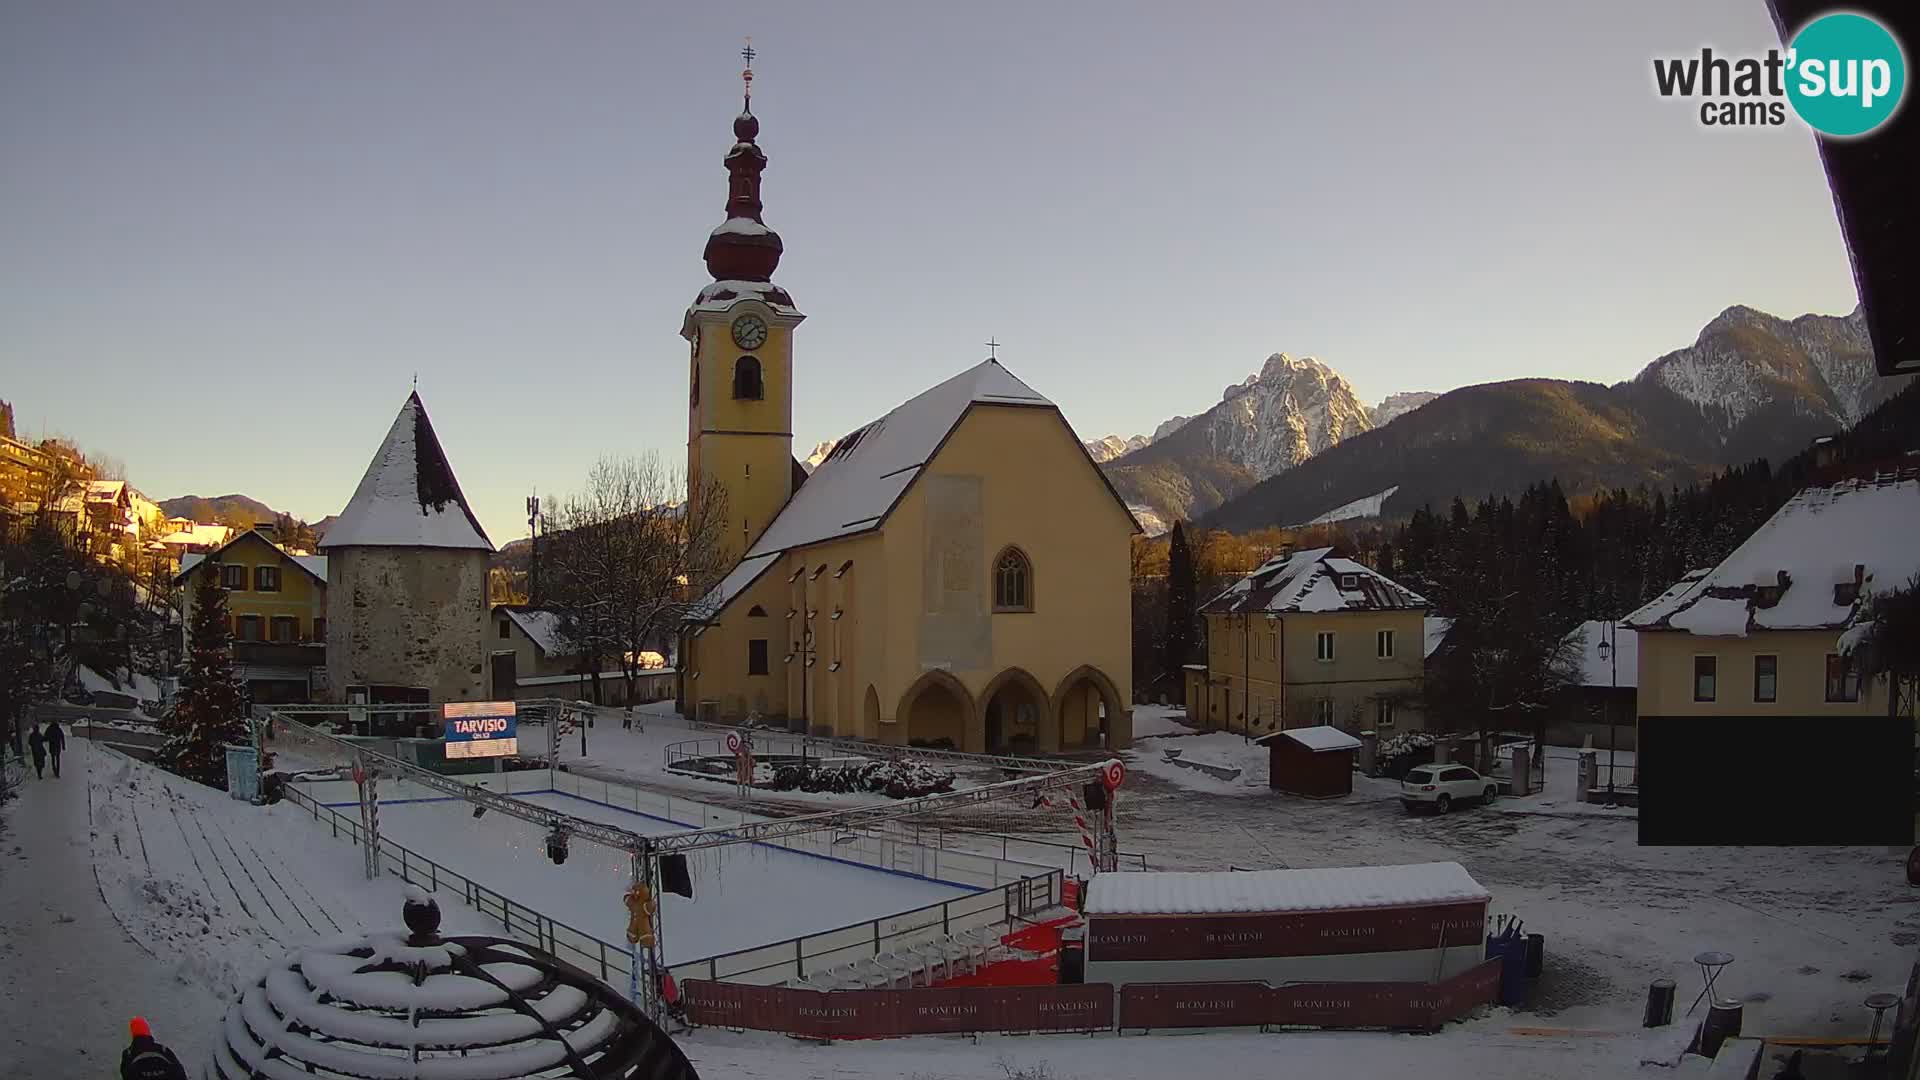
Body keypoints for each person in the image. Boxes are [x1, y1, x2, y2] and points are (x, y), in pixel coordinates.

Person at [121, 1017, 187, 1080]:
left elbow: (126, 1075)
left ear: (132, 1034)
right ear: (148, 1032)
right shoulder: (163, 1050)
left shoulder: (128, 1054)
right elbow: (180, 1073)